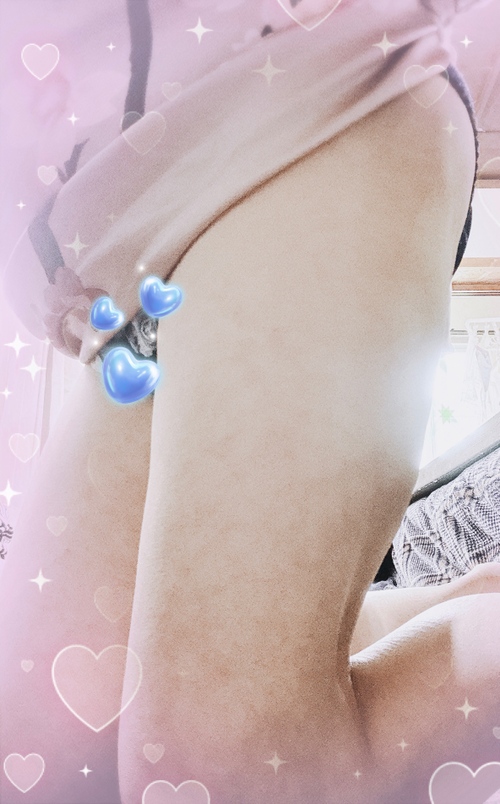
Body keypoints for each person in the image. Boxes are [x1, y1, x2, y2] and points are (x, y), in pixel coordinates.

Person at [1, 2, 498, 803]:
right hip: (107, 252)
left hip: (296, 105)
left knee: (220, 764)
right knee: (49, 759)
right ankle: (391, 619)